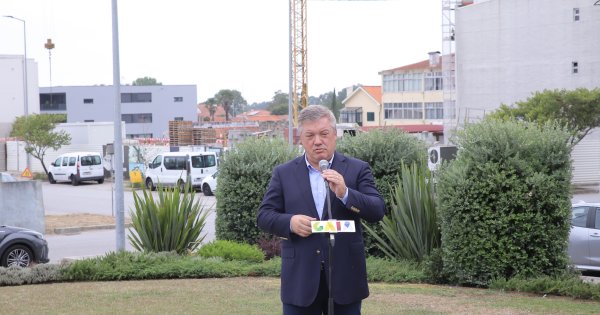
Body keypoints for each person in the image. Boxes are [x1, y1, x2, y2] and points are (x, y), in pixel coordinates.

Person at [257, 105, 385, 315]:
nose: (317, 141)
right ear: (301, 138)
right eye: (310, 135)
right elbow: (264, 216)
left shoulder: (357, 169)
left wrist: (345, 193)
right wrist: (290, 222)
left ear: (335, 135)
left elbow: (377, 210)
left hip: (346, 278)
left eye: (324, 134)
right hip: (300, 280)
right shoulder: (284, 173)